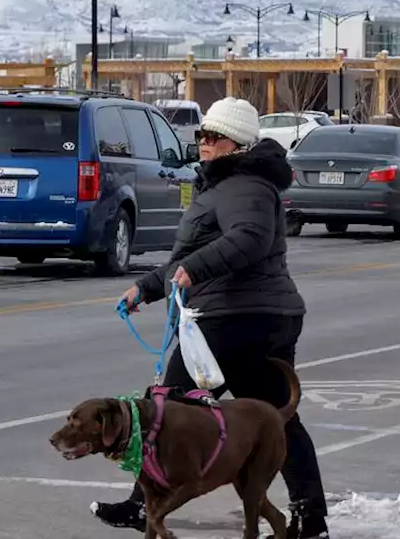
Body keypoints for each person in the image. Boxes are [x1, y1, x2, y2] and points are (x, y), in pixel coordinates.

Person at [92, 97, 330, 538]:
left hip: (236, 318)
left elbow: (250, 239)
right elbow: (190, 256)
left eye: (212, 137)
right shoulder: (226, 183)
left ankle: (143, 507)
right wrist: (146, 288)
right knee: (278, 416)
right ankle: (310, 519)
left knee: (161, 408)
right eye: (201, 135)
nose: (203, 143)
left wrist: (196, 270)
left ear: (235, 144)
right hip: (256, 315)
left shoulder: (245, 185)